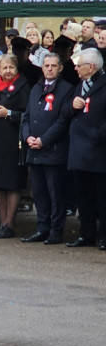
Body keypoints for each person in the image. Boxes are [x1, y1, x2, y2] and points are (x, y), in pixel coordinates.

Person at [20, 53, 73, 245]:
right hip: (34, 150)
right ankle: (42, 228)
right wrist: (28, 137)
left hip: (53, 150)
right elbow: (26, 116)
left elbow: (62, 121)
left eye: (53, 66)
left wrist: (43, 140)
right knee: (40, 193)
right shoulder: (36, 88)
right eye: (46, 65)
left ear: (60, 68)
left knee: (56, 194)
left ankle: (56, 231)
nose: (49, 69)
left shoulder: (67, 89)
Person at [0, 53, 30, 239]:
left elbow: (27, 114)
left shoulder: (23, 87)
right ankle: (2, 223)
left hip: (12, 142)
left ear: (16, 68)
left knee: (12, 183)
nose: (7, 71)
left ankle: (10, 223)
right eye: (4, 68)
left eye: (11, 67)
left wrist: (9, 113)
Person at [66, 48, 106, 249]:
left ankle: (103, 236)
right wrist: (72, 106)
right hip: (80, 151)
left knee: (102, 197)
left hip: (98, 151)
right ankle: (86, 234)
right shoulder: (79, 85)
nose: (75, 68)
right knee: (84, 196)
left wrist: (96, 135)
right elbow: (65, 112)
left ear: (91, 67)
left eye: (79, 65)